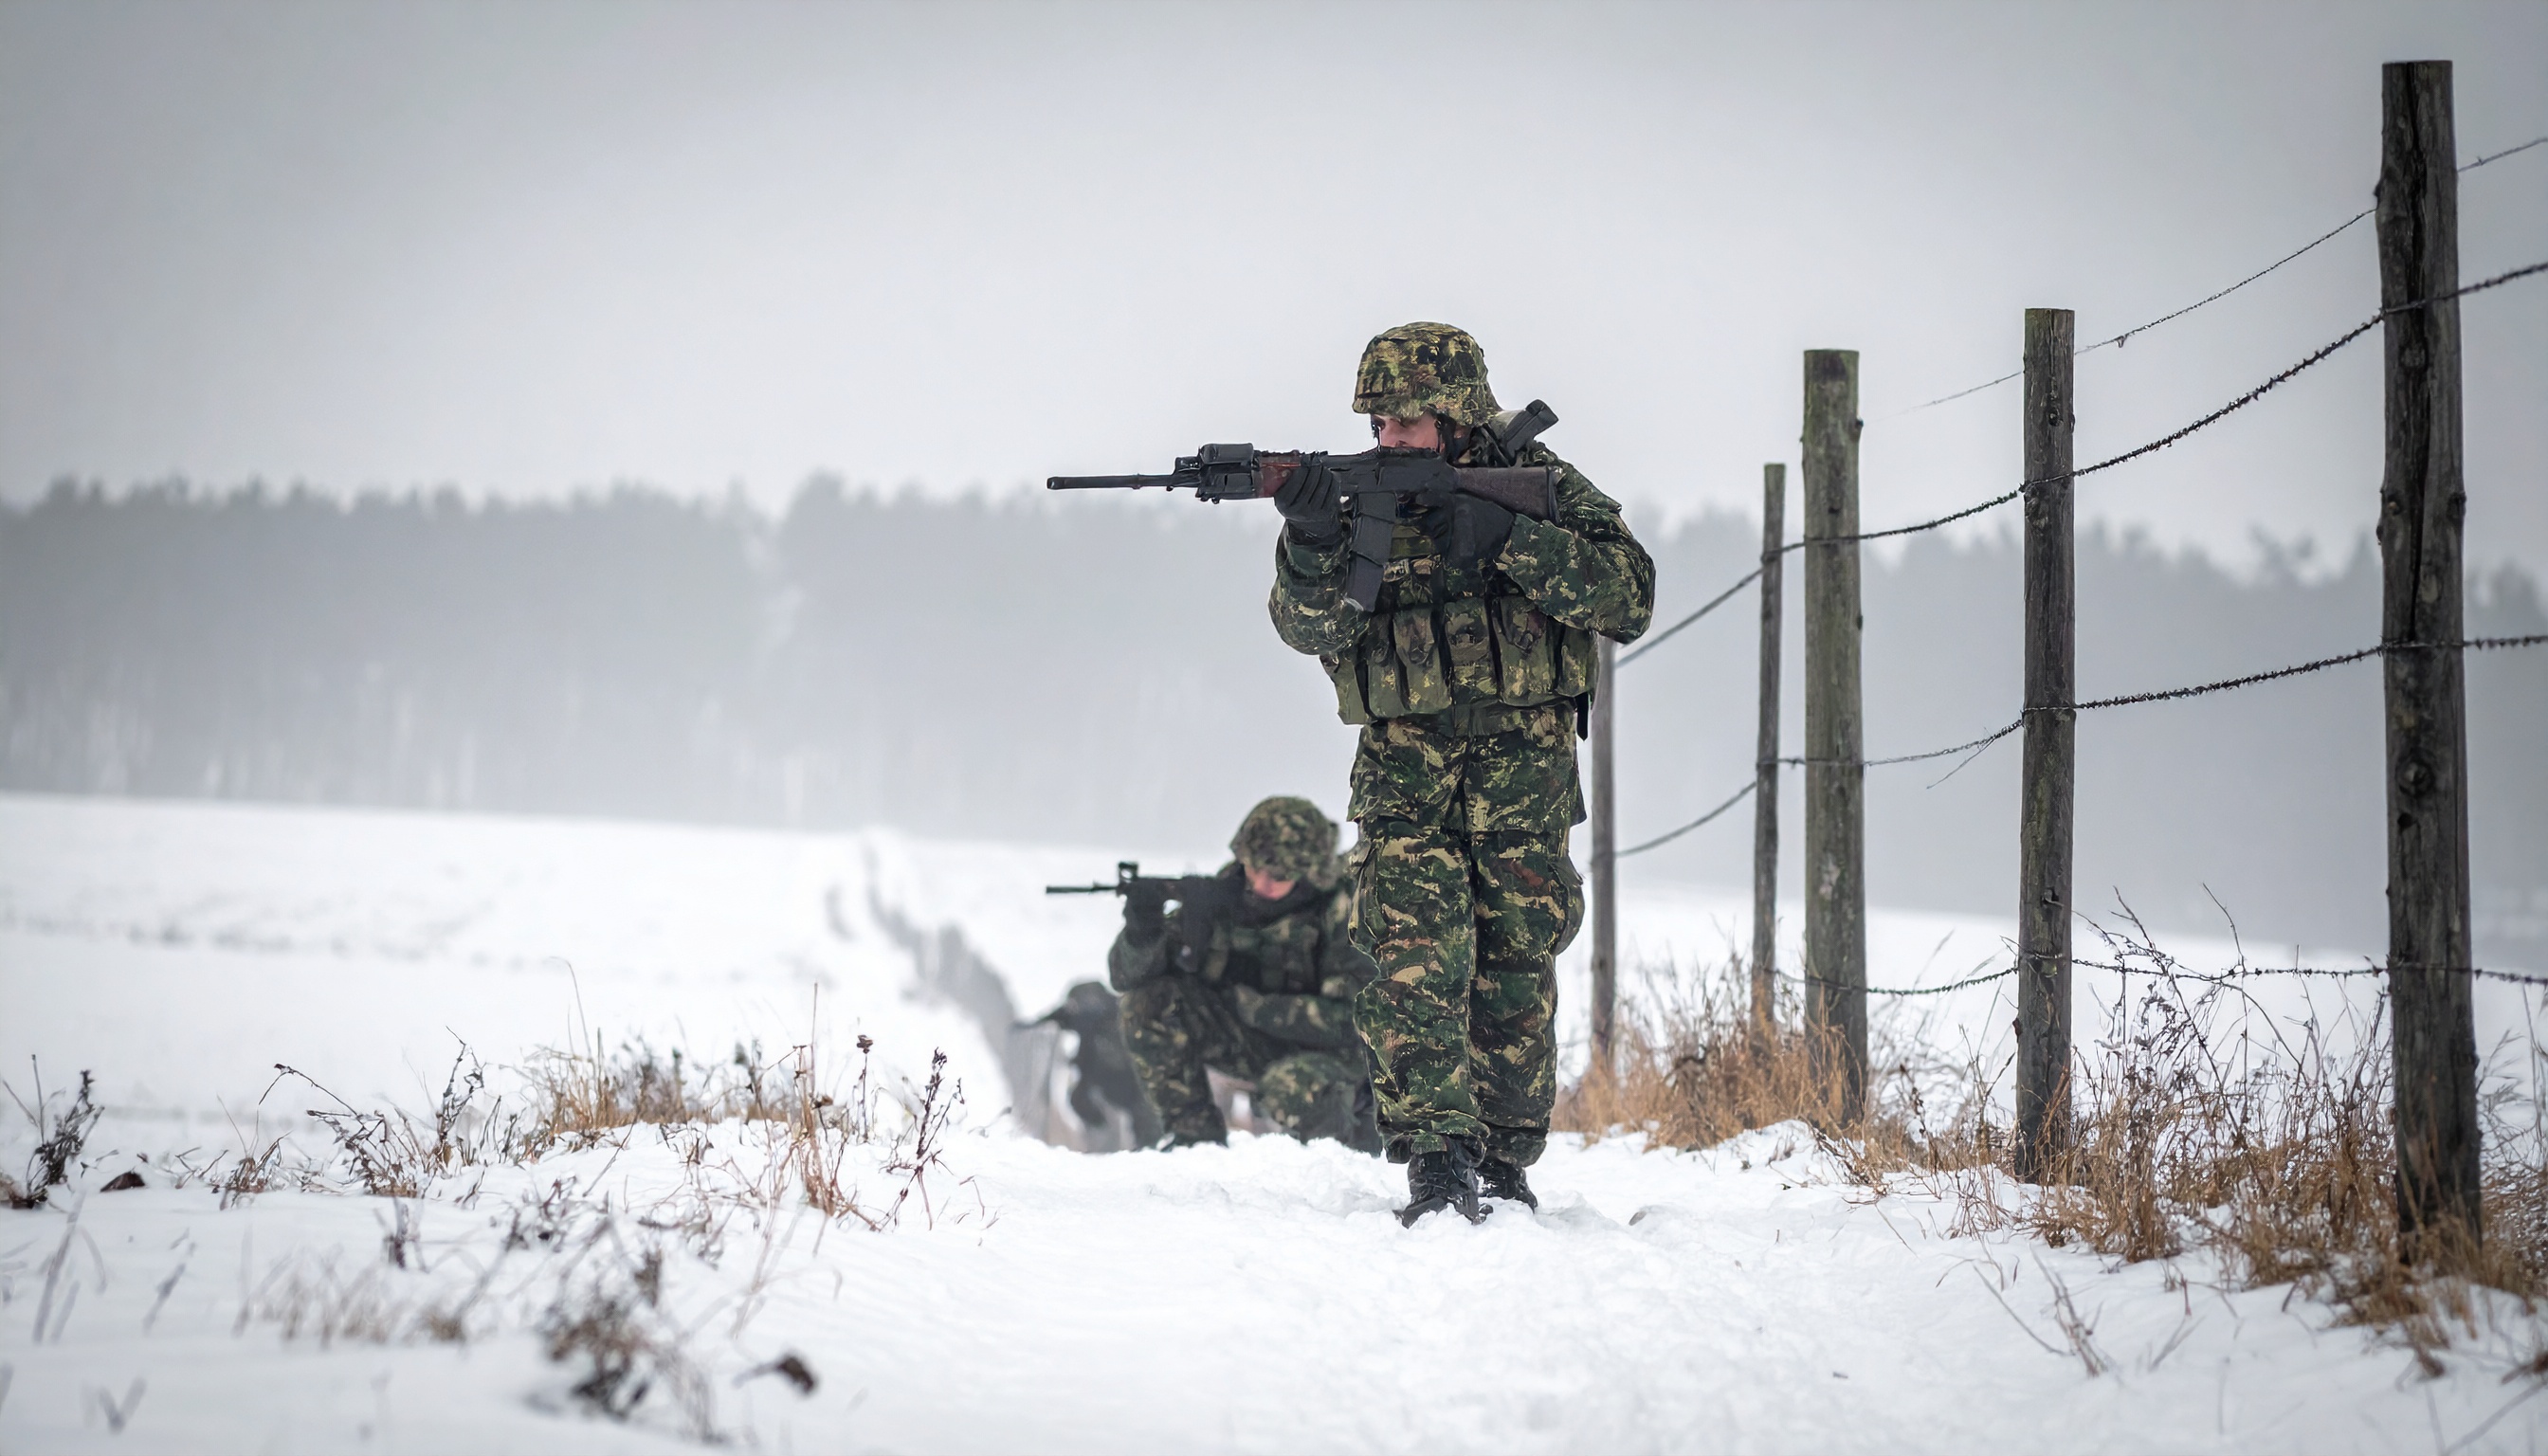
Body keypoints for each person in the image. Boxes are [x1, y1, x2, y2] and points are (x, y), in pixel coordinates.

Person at [1265, 322, 1655, 1224]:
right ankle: (1436, 1159)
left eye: (1409, 422)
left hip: (1523, 783)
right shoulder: (1355, 502)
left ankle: (1507, 1160)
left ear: (1459, 413)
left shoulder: (1541, 485)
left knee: (1515, 968)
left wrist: (1504, 537)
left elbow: (1628, 595)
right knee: (1413, 967)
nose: (1389, 440)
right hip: (1406, 781)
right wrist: (1315, 540)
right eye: (1380, 424)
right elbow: (1307, 629)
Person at [1108, 796, 1381, 1152]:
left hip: (1340, 1059)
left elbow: (1355, 1022)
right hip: (1259, 1043)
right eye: (1256, 868)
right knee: (1147, 1004)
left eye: (1279, 875)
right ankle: (1194, 1140)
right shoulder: (1225, 895)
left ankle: (1349, 1161)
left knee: (1292, 1089)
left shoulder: (1343, 910)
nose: (1263, 882)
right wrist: (1142, 934)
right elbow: (1126, 979)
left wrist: (1253, 1007)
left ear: (1309, 871)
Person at [1034, 980, 1164, 1152]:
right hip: (1106, 1079)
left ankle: (1147, 1152)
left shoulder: (1115, 1011)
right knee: (1080, 1100)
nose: (1080, 1006)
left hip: (1129, 1079)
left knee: (1145, 1119)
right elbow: (1065, 1018)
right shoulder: (1088, 1017)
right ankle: (1114, 1144)